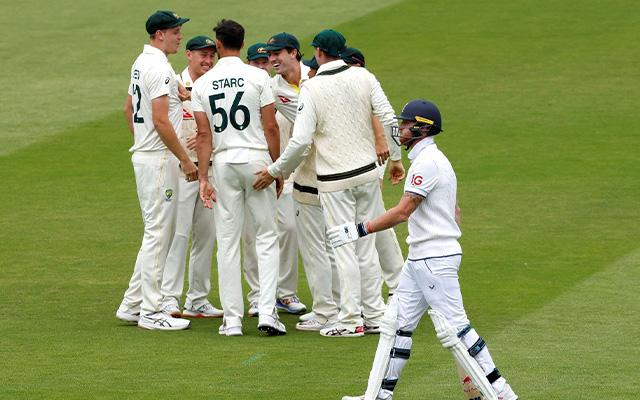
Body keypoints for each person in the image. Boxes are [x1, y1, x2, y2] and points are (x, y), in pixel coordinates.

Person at [329, 100, 518, 400]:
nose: (400, 128)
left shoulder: (428, 162)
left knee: (456, 331)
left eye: (405, 124)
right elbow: (453, 211)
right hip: (421, 257)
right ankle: (376, 396)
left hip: (433, 259)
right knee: (394, 324)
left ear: (422, 127)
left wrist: (359, 229)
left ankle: (502, 394)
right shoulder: (432, 160)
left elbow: (404, 211)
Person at [254, 29, 397, 337]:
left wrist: (276, 170)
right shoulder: (363, 76)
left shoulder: (314, 85)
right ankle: (371, 314)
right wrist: (395, 159)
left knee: (343, 247)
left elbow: (302, 140)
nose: (273, 58)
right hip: (356, 174)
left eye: (278, 52)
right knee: (362, 245)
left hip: (332, 178)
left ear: (314, 52)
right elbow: (388, 116)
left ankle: (347, 319)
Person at [192, 19, 285, 336]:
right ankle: (267, 313)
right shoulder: (259, 76)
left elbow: (203, 135)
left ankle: (231, 321)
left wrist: (204, 178)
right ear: (243, 44)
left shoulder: (203, 83)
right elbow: (271, 127)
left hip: (224, 164)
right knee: (266, 236)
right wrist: (277, 168)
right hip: (257, 161)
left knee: (228, 242)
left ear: (217, 45)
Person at [115, 10, 195, 331]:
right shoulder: (159, 67)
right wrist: (184, 160)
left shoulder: (141, 62)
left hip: (148, 156)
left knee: (155, 232)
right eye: (175, 31)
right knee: (159, 234)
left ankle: (132, 304)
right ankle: (151, 312)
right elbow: (161, 120)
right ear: (159, 34)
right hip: (159, 159)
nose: (180, 36)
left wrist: (145, 142)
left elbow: (128, 108)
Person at [159, 35, 223, 319]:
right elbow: (160, 123)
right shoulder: (174, 83)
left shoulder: (217, 86)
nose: (208, 61)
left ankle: (198, 298)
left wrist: (209, 138)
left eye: (212, 56)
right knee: (179, 234)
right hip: (184, 170)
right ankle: (168, 297)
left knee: (207, 235)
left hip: (212, 170)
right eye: (202, 56)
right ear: (189, 55)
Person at [340, 46, 405, 298]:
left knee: (369, 226)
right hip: (358, 163)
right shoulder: (354, 85)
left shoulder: (360, 84)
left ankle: (394, 287)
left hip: (367, 163)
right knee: (375, 223)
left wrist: (394, 157)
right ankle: (399, 284)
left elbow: (387, 121)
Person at [263, 32, 311, 315]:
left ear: (293, 52)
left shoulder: (316, 77)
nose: (272, 59)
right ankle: (285, 293)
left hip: (322, 166)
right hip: (288, 169)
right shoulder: (271, 87)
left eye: (277, 53)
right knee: (289, 230)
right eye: (269, 55)